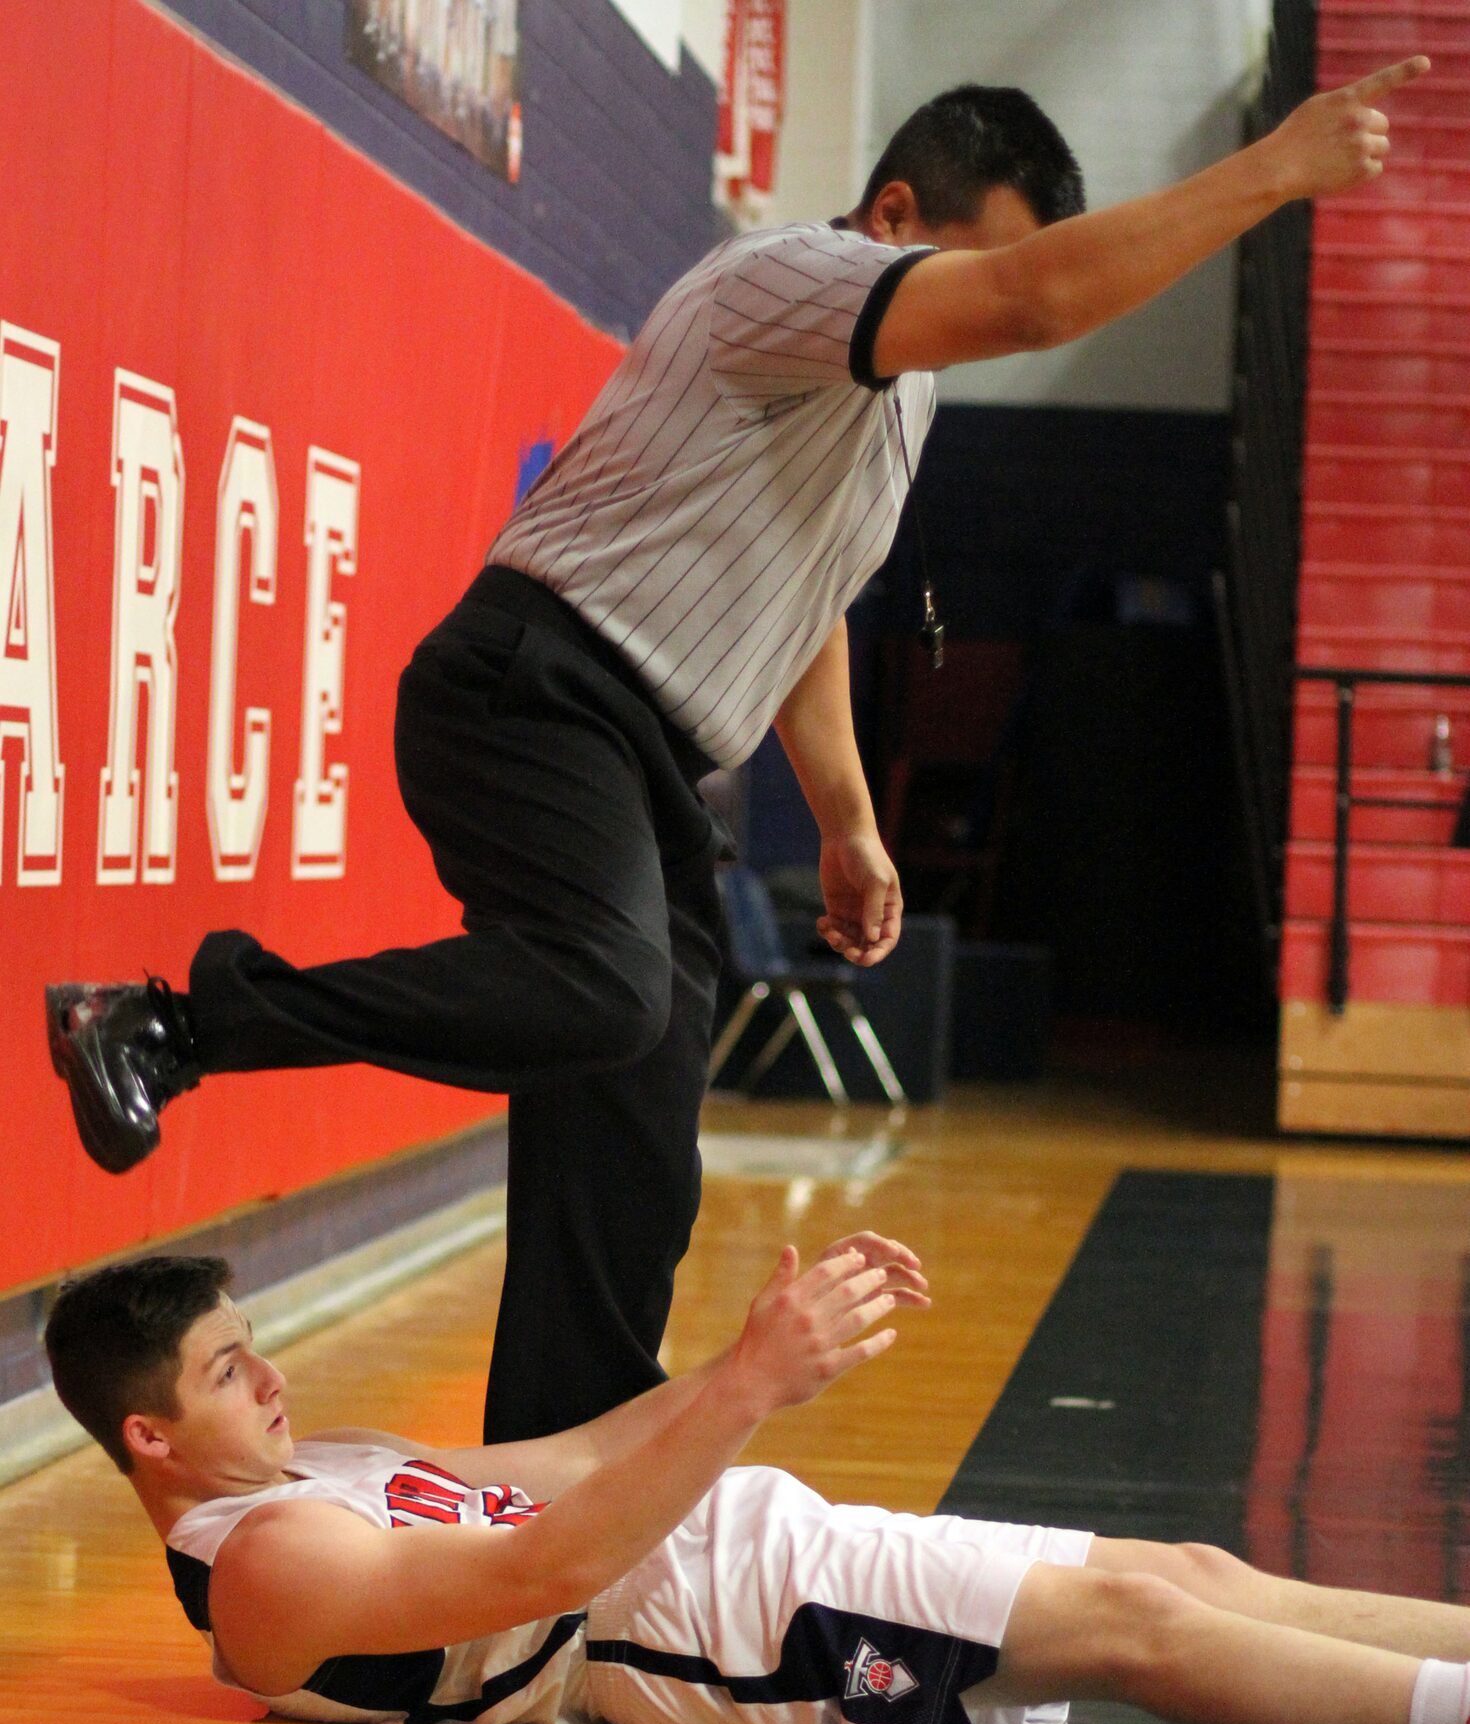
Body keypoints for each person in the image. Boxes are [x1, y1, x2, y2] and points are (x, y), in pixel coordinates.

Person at [44, 61, 1430, 1446]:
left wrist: (842, 816)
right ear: (892, 211)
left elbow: (803, 590)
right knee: (600, 988)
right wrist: (1271, 172)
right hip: (535, 687)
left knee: (631, 1164)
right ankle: (174, 1020)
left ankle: (558, 1494)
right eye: (983, 265)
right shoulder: (795, 277)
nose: (989, 313)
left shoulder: (900, 394)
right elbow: (1035, 297)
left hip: (648, 758)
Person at [41, 1236, 1470, 1724]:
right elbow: (556, 1560)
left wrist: (762, 1355)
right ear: (151, 1432)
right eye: (233, 1369)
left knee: (1189, 1567)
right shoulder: (264, 1574)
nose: (274, 1374)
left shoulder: (314, 1466)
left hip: (747, 1547)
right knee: (1138, 1626)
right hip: (733, 1634)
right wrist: (743, 1390)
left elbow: (580, 1454)